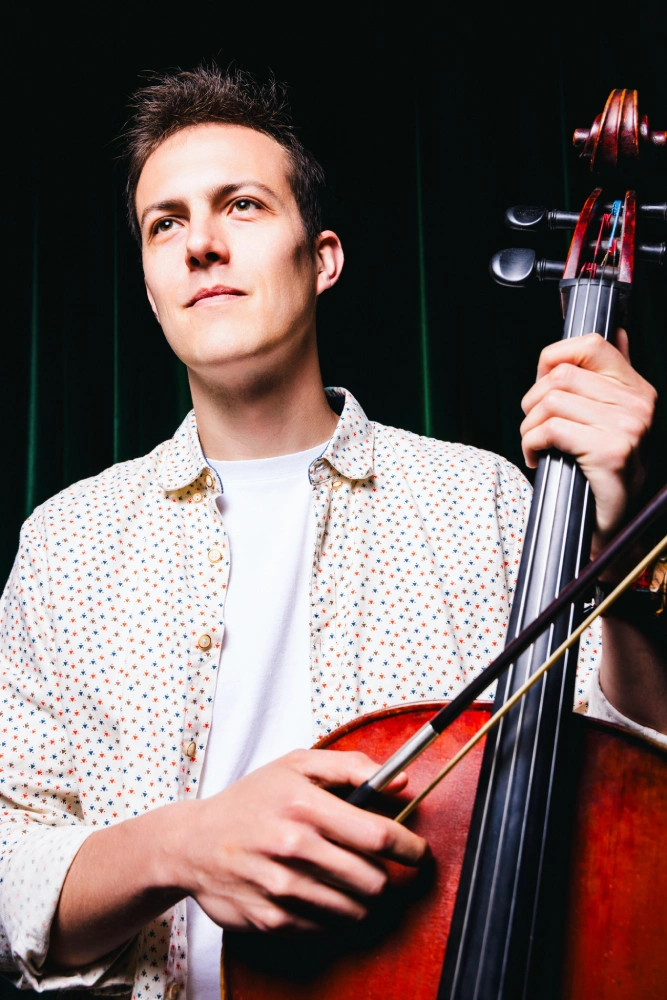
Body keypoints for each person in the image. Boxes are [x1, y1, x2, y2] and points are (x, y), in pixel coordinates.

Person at [0, 66, 663, 1000]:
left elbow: (629, 781)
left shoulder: (482, 500)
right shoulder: (66, 543)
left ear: (323, 259)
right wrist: (184, 844)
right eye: (165, 224)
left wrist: (626, 526)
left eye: (240, 206)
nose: (200, 247)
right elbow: (7, 870)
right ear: (149, 284)